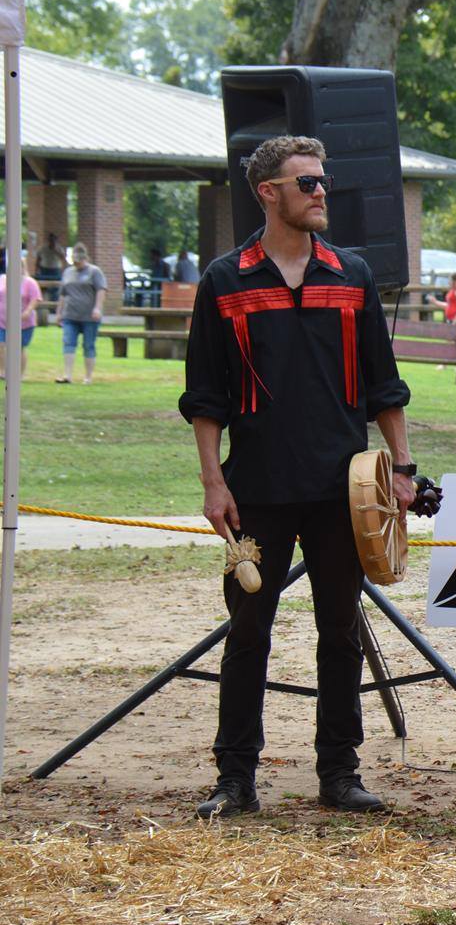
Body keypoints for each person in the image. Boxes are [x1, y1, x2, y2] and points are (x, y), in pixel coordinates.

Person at [180, 135, 416, 820]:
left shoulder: (353, 275)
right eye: (307, 182)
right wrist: (212, 484)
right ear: (268, 193)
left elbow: (383, 384)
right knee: (248, 630)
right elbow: (205, 397)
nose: (321, 192)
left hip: (342, 492)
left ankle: (339, 774)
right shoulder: (225, 281)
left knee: (340, 630)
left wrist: (401, 468)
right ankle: (235, 779)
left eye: (323, 180)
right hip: (253, 490)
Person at [56, 243, 107, 384]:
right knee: (68, 343)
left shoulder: (95, 272)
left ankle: (88, 377)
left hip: (89, 317)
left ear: (85, 258)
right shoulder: (68, 272)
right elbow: (62, 294)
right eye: (74, 260)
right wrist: (59, 312)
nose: (76, 263)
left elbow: (101, 290)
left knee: (88, 345)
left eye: (79, 260)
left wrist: (97, 308)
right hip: (70, 315)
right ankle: (67, 375)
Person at [0, 260, 42, 380]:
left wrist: (28, 311)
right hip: (2, 321)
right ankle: (2, 372)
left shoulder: (30, 282)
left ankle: (19, 374)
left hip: (23, 323)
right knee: (1, 344)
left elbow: (36, 299)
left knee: (19, 347)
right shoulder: (2, 279)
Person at [428, 272, 456, 358]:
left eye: (450, 280)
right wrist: (435, 302)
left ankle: (453, 360)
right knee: (449, 340)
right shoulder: (453, 291)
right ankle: (446, 361)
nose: (449, 282)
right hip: (451, 319)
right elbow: (449, 305)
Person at [34, 232, 67, 297]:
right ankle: (43, 302)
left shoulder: (59, 248)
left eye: (53, 240)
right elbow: (38, 260)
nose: (52, 241)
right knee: (43, 287)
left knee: (55, 287)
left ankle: (53, 302)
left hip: (55, 270)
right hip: (44, 269)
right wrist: (36, 270)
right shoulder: (42, 248)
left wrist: (55, 250)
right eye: (50, 240)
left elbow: (63, 258)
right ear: (48, 240)